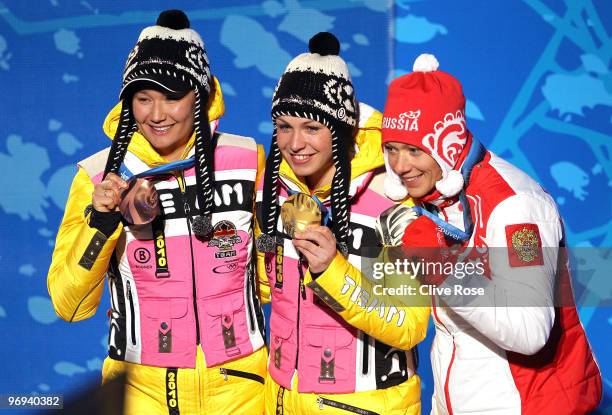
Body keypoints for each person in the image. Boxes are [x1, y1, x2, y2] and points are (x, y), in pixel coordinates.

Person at [47, 10, 267, 414]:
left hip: (243, 390)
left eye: (172, 97)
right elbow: (69, 304)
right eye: (143, 98)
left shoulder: (247, 160)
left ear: (199, 97)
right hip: (139, 393)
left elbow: (273, 279)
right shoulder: (97, 176)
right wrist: (102, 223)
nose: (157, 114)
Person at [381, 53, 602, 414]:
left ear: (446, 145)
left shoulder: (518, 209)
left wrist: (442, 266)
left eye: (413, 150)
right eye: (392, 149)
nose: (401, 165)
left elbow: (529, 331)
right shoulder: (436, 196)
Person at [255, 32, 429, 415]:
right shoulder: (272, 192)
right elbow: (264, 293)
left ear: (341, 129)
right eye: (284, 126)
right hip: (281, 400)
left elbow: (410, 325)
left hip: (365, 404)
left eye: (312, 127)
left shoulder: (393, 200)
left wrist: (332, 271)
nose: (295, 143)